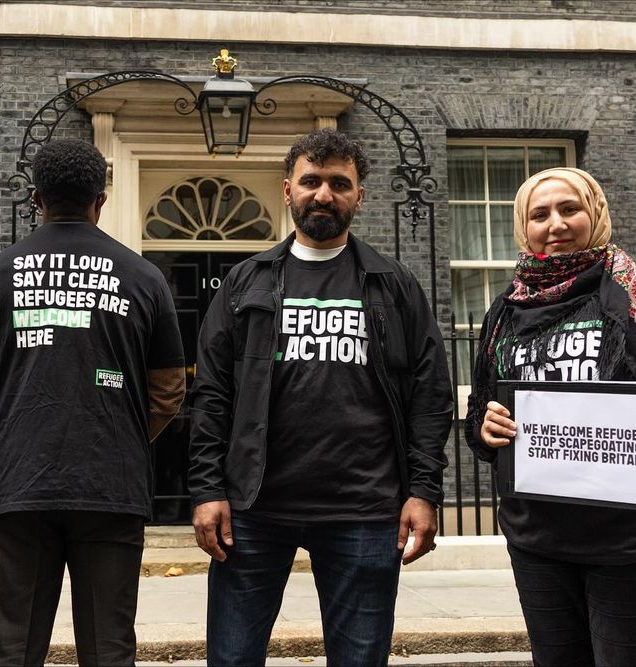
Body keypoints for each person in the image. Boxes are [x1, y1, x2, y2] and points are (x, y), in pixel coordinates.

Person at [189, 128, 453, 666]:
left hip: (365, 509)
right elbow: (212, 394)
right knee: (233, 658)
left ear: (360, 196)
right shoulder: (245, 282)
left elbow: (430, 395)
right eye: (311, 181)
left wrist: (423, 492)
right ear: (287, 191)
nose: (323, 194)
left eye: (339, 183)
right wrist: (206, 488)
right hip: (253, 510)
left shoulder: (395, 284)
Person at [466, 167, 636, 667]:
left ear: (595, 213)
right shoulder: (504, 312)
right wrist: (487, 428)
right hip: (538, 537)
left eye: (569, 209)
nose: (555, 224)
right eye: (539, 215)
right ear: (524, 226)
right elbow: (480, 414)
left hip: (634, 538)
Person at [0, 138, 185, 667]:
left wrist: (15, 423)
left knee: (14, 647)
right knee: (108, 647)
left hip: (20, 483)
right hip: (112, 483)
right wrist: (120, 428)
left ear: (37, 198)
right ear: (99, 199)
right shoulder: (145, 278)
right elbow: (169, 388)